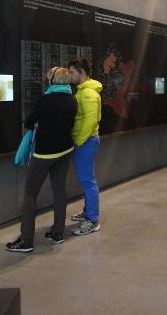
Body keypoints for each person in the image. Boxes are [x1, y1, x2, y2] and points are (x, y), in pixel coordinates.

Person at [6, 67, 77, 253]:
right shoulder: (72, 100)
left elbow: (30, 122)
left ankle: (26, 241)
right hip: (65, 151)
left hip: (44, 154)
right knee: (59, 191)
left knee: (30, 195)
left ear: (52, 81)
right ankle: (57, 232)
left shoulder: (45, 100)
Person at [68, 59, 103, 236]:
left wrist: (79, 141)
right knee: (86, 179)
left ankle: (92, 220)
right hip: (85, 141)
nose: (70, 76)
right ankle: (88, 211)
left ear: (81, 72)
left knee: (88, 181)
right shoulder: (82, 91)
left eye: (72, 72)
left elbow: (90, 120)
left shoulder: (88, 93)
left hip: (86, 141)